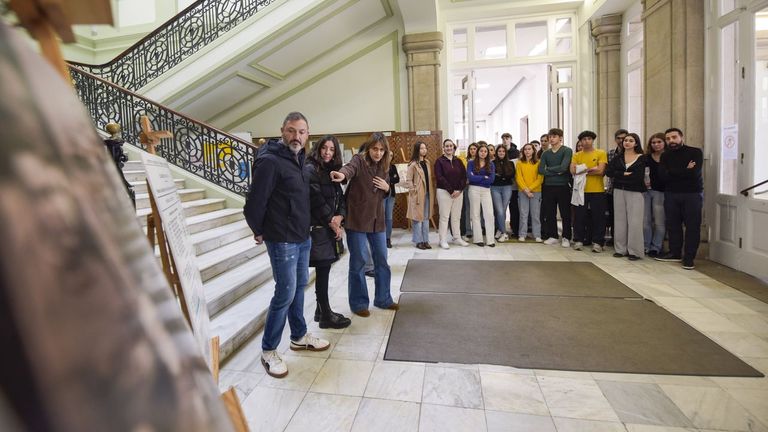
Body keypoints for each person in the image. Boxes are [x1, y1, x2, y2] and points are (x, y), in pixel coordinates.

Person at [244, 112, 330, 379]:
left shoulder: (300, 160)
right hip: (281, 238)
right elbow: (254, 202)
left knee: (300, 288)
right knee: (285, 292)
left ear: (308, 135)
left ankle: (298, 335)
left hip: (301, 236)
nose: (297, 137)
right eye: (292, 131)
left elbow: (304, 198)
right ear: (282, 131)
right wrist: (258, 229)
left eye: (302, 132)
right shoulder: (270, 161)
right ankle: (268, 349)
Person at [330, 133, 398, 316]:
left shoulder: (384, 166)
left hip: (378, 221)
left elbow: (385, 189)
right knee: (359, 261)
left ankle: (383, 299)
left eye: (382, 150)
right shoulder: (359, 160)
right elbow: (349, 170)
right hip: (357, 220)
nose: (378, 153)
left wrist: (387, 188)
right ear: (369, 148)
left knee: (382, 261)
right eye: (375, 149)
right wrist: (341, 175)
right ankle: (359, 304)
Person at [305, 135, 351, 329]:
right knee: (322, 270)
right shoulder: (310, 168)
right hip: (317, 229)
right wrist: (332, 222)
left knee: (325, 269)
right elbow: (315, 200)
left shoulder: (332, 170)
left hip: (328, 228)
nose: (327, 152)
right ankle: (326, 315)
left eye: (332, 149)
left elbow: (340, 198)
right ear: (318, 148)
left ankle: (319, 310)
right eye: (325, 148)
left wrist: (340, 217)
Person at [655, 128, 703, 270]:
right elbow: (663, 177)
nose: (671, 141)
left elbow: (694, 174)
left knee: (692, 226)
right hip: (671, 194)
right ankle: (675, 252)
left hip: (692, 194)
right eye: (668, 139)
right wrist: (685, 170)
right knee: (673, 225)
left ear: (681, 137)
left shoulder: (695, 152)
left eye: (674, 137)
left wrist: (673, 172)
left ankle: (689, 258)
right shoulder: (665, 156)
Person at [605, 132, 646, 261]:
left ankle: (635, 251)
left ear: (636, 143)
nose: (627, 142)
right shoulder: (618, 157)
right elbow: (609, 172)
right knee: (619, 220)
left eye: (630, 140)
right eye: (625, 140)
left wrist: (621, 175)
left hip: (635, 191)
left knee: (635, 221)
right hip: (618, 190)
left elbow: (638, 176)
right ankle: (620, 249)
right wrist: (624, 174)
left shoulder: (642, 158)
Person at [570, 130, 607, 253]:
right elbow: (573, 171)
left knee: (598, 216)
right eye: (584, 139)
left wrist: (584, 169)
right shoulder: (577, 155)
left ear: (593, 140)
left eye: (589, 139)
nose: (586, 141)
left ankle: (598, 242)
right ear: (581, 141)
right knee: (580, 216)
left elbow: (601, 171)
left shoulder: (600, 153)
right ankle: (578, 239)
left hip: (597, 190)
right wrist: (592, 169)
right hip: (581, 190)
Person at [539, 128, 573, 247]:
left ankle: (566, 237)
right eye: (550, 136)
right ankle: (553, 235)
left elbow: (564, 168)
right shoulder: (545, 153)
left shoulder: (567, 151)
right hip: (548, 186)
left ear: (560, 138)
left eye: (554, 136)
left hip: (563, 186)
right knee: (549, 213)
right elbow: (540, 170)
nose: (551, 139)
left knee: (565, 213)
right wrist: (555, 171)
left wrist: (549, 169)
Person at [435, 139, 469, 249]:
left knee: (456, 217)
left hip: (458, 193)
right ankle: (443, 240)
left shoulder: (458, 161)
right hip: (444, 192)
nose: (449, 148)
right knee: (444, 217)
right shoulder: (439, 161)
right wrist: (451, 190)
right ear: (443, 148)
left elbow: (464, 177)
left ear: (454, 148)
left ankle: (457, 237)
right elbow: (440, 177)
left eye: (451, 146)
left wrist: (459, 190)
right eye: (447, 146)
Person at [405, 141, 434, 249]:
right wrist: (413, 191)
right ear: (417, 150)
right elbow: (408, 180)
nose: (424, 150)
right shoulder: (412, 164)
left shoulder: (427, 162)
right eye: (422, 148)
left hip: (427, 194)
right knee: (417, 219)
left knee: (426, 218)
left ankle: (425, 240)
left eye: (425, 148)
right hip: (418, 195)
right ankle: (418, 241)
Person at [467, 143, 496, 247]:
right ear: (478, 152)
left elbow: (491, 180)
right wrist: (484, 177)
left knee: (489, 214)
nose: (483, 153)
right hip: (473, 190)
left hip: (486, 191)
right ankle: (478, 239)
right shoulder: (471, 163)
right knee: (475, 214)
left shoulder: (491, 164)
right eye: (481, 151)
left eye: (485, 151)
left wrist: (478, 177)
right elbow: (470, 178)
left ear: (487, 153)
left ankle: (490, 240)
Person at [644, 133, 667, 257]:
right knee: (645, 221)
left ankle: (656, 247)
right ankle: (645, 245)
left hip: (661, 192)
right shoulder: (646, 157)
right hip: (646, 191)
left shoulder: (668, 157)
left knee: (659, 221)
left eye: (659, 142)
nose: (656, 145)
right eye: (653, 142)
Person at [605, 128, 629, 245]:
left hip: (629, 188)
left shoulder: (634, 154)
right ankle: (616, 239)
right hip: (612, 188)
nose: (621, 141)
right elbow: (609, 171)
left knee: (628, 216)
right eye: (619, 138)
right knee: (614, 215)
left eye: (624, 138)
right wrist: (621, 173)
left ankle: (627, 240)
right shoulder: (610, 153)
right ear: (615, 140)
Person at [516, 143, 543, 242]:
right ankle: (522, 234)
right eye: (525, 149)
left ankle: (537, 235)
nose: (527, 151)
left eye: (529, 149)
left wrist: (530, 189)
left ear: (533, 150)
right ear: (523, 151)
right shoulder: (519, 163)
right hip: (523, 192)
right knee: (523, 214)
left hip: (536, 192)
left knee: (535, 214)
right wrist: (526, 190)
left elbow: (540, 179)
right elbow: (518, 178)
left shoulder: (539, 163)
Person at [490, 144, 515, 242]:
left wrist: (500, 175)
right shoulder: (492, 163)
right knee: (499, 210)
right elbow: (493, 176)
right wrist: (503, 175)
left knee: (503, 210)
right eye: (499, 151)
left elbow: (512, 175)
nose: (501, 153)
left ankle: (499, 230)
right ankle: (504, 233)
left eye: (503, 151)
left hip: (507, 188)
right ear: (496, 152)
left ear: (506, 153)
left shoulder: (510, 163)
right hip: (495, 188)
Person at [461, 143, 479, 239]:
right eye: (471, 149)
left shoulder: (481, 161)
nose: (472, 150)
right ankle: (468, 230)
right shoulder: (465, 160)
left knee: (477, 209)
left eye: (474, 149)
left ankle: (478, 230)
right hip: (467, 186)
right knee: (467, 208)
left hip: (477, 186)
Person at [384, 162, 399, 248]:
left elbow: (397, 179)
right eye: (388, 155)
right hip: (381, 196)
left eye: (391, 156)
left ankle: (388, 238)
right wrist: (391, 179)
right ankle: (381, 238)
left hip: (391, 195)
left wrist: (387, 181)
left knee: (389, 218)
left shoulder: (393, 166)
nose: (389, 157)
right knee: (381, 217)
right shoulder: (379, 165)